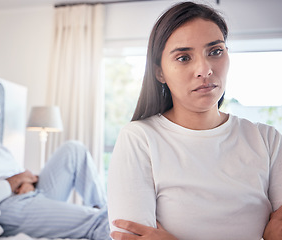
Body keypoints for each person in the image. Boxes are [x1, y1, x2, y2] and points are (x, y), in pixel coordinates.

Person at [107, 2, 282, 240]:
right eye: (183, 57)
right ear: (160, 72)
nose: (204, 69)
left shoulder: (267, 139)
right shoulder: (140, 138)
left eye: (215, 51)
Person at [0, 91, 110, 239]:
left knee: (74, 149)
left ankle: (100, 205)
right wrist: (19, 179)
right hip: (8, 208)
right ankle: (110, 223)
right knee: (97, 221)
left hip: (32, 194)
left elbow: (22, 174)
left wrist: (26, 182)